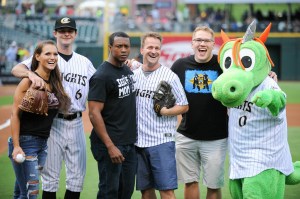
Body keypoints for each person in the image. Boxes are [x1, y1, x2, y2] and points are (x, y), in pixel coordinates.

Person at [11, 17, 96, 199]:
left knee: (77, 178)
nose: (66, 33)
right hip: (52, 123)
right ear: (55, 33)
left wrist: (130, 65)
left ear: (75, 34)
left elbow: (101, 82)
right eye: (62, 30)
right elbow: (16, 69)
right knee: (50, 178)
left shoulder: (85, 62)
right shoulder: (47, 57)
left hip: (77, 123)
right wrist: (30, 74)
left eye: (70, 30)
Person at [170, 26, 229, 199]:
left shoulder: (223, 65)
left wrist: (268, 74)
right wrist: (134, 64)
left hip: (216, 138)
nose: (202, 44)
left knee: (213, 185)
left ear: (213, 44)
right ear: (192, 44)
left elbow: (246, 77)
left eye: (206, 40)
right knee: (190, 182)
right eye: (198, 40)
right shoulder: (180, 65)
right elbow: (161, 81)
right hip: (186, 135)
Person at [8, 40, 71, 199]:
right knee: (32, 194)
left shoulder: (55, 82)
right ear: (37, 56)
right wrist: (16, 146)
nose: (53, 57)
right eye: (47, 54)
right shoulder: (29, 80)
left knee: (22, 193)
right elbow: (14, 115)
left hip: (42, 144)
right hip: (25, 143)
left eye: (55, 54)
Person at [134, 32, 189, 199]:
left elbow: (184, 105)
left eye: (157, 48)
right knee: (146, 190)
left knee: (166, 191)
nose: (153, 51)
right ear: (142, 49)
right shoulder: (133, 75)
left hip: (162, 141)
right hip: (138, 142)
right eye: (150, 47)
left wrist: (166, 111)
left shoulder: (170, 76)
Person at [88, 32, 137, 199]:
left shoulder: (126, 69)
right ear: (110, 48)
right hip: (109, 144)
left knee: (126, 191)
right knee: (109, 192)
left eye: (126, 46)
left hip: (128, 143)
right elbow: (94, 114)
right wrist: (110, 146)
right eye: (119, 46)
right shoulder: (101, 76)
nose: (123, 50)